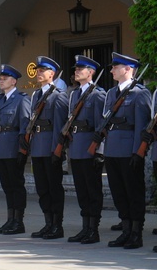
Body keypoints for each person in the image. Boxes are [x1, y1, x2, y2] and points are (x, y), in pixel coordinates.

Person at [98, 52, 151, 249]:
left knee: (133, 192)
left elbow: (141, 125)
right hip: (112, 149)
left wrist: (139, 151)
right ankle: (126, 230)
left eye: (115, 67)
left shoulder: (140, 93)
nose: (112, 70)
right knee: (118, 192)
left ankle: (136, 233)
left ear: (128, 69)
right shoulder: (112, 93)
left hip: (129, 150)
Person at [25, 56, 68, 240]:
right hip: (38, 147)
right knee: (42, 188)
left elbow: (59, 126)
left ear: (52, 74)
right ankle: (48, 222)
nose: (39, 73)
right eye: (38, 70)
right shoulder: (36, 94)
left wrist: (57, 149)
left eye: (43, 70)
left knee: (54, 187)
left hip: (50, 147)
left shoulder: (58, 95)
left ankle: (57, 225)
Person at [65, 56, 106, 244]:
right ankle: (85, 227)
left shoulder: (97, 94)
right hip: (76, 147)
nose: (77, 71)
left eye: (81, 68)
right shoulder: (74, 94)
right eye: (76, 68)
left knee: (92, 189)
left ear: (91, 72)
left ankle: (93, 229)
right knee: (81, 189)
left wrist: (99, 152)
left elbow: (101, 125)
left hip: (90, 147)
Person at [0, 65, 31, 235]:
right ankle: (10, 219)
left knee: (16, 185)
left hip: (13, 146)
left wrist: (22, 149)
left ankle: (18, 221)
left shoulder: (21, 99)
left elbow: (25, 125)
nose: (1, 80)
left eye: (5, 78)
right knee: (6, 185)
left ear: (14, 81)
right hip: (0, 146)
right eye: (0, 78)